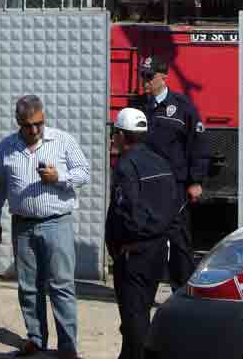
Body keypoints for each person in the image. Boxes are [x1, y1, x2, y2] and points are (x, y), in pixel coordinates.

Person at [0, 95, 90, 359]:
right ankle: (36, 338)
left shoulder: (62, 140)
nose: (34, 130)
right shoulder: (7, 147)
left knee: (61, 287)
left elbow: (84, 172)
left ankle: (68, 346)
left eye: (38, 124)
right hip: (22, 226)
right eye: (27, 125)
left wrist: (60, 178)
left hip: (57, 223)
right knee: (28, 286)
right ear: (18, 123)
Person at [106, 108, 176, 359]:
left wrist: (123, 244)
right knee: (141, 312)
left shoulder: (126, 166)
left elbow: (125, 213)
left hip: (134, 255)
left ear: (123, 136)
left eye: (115, 133)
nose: (113, 138)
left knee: (134, 320)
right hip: (157, 251)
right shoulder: (160, 161)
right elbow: (172, 204)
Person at [136, 55, 208, 289]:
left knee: (179, 241)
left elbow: (197, 144)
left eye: (149, 76)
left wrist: (195, 180)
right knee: (146, 239)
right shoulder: (137, 106)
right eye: (142, 75)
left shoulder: (182, 107)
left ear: (164, 77)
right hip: (144, 186)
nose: (144, 81)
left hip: (174, 187)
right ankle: (146, 287)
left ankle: (182, 291)